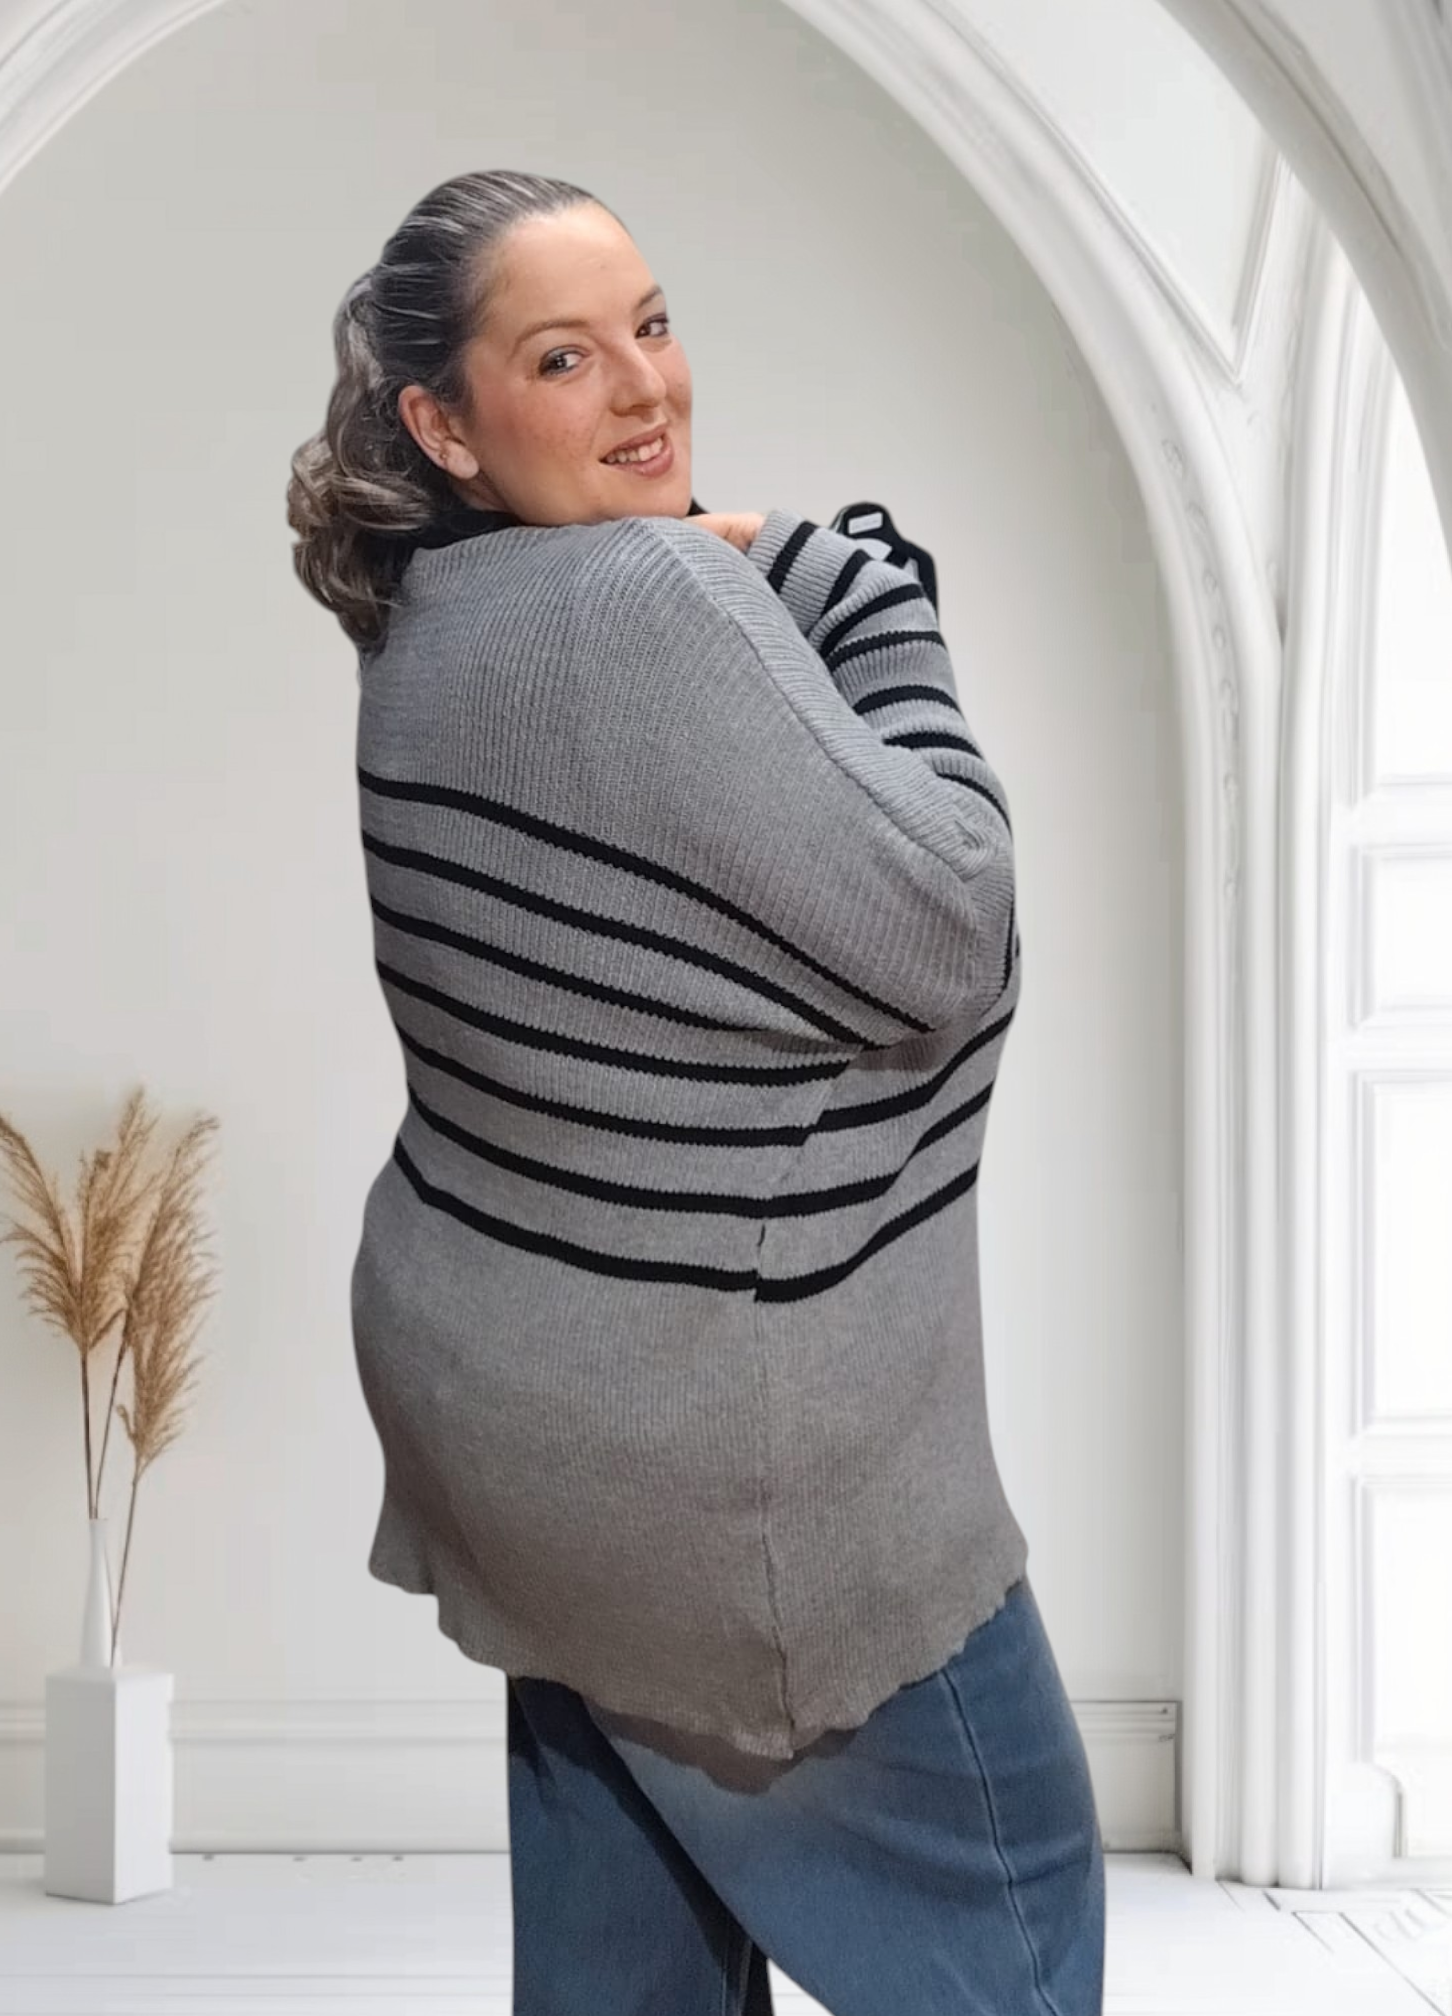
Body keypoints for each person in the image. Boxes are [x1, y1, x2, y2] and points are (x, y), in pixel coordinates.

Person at [287, 168, 1105, 2016]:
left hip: (522, 1427)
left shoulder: (427, 623)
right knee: (1020, 1916)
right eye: (563, 357)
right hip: (733, 1481)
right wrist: (850, 583)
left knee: (629, 1959)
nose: (646, 385)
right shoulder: (648, 603)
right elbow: (950, 924)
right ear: (446, 423)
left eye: (650, 325)